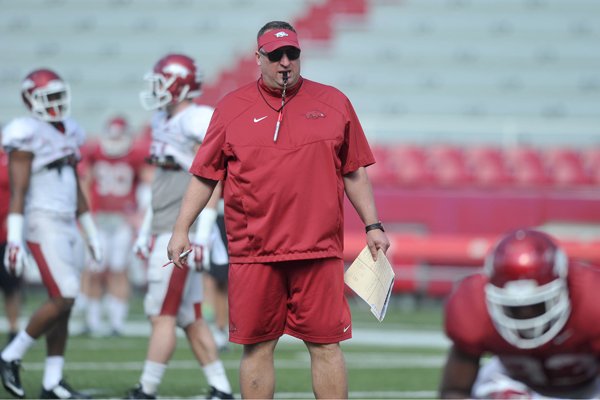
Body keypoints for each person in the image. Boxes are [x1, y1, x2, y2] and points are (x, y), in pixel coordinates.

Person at [167, 20, 391, 399]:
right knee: (257, 346)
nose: (285, 62)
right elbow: (205, 175)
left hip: (317, 250)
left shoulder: (334, 103)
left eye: (292, 54)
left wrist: (373, 225)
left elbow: (354, 171)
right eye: (275, 55)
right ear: (259, 58)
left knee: (326, 345)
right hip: (254, 253)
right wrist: (180, 228)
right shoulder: (230, 108)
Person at [125, 53, 233, 400]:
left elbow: (215, 173)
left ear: (178, 83)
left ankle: (147, 389)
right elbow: (161, 181)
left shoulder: (196, 118)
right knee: (190, 317)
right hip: (163, 226)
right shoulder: (162, 119)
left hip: (179, 233)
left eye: (161, 81)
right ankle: (221, 388)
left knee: (162, 314)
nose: (156, 89)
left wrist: (201, 232)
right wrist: (146, 229)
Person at [0, 68, 102, 399]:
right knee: (65, 295)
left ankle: (52, 381)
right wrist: (14, 239)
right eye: (49, 98)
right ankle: (10, 354)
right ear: (31, 100)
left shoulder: (70, 130)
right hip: (41, 221)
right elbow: (18, 190)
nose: (56, 104)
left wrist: (89, 229)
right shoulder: (24, 132)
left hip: (67, 222)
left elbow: (74, 186)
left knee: (66, 305)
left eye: (59, 96)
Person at [439, 229, 600, 399]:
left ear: (564, 286)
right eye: (513, 308)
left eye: (538, 305)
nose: (527, 315)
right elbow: (455, 390)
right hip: (515, 383)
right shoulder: (473, 304)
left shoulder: (592, 300)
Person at [77, 115, 148, 336]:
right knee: (94, 270)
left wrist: (139, 215)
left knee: (119, 270)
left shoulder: (136, 155)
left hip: (122, 221)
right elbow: (85, 183)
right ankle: (93, 320)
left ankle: (117, 322)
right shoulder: (93, 153)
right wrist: (86, 217)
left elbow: (148, 184)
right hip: (100, 218)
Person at [0, 129, 23, 346]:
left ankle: (14, 328)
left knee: (11, 286)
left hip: (7, 233)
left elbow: (21, 191)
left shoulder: (11, 160)